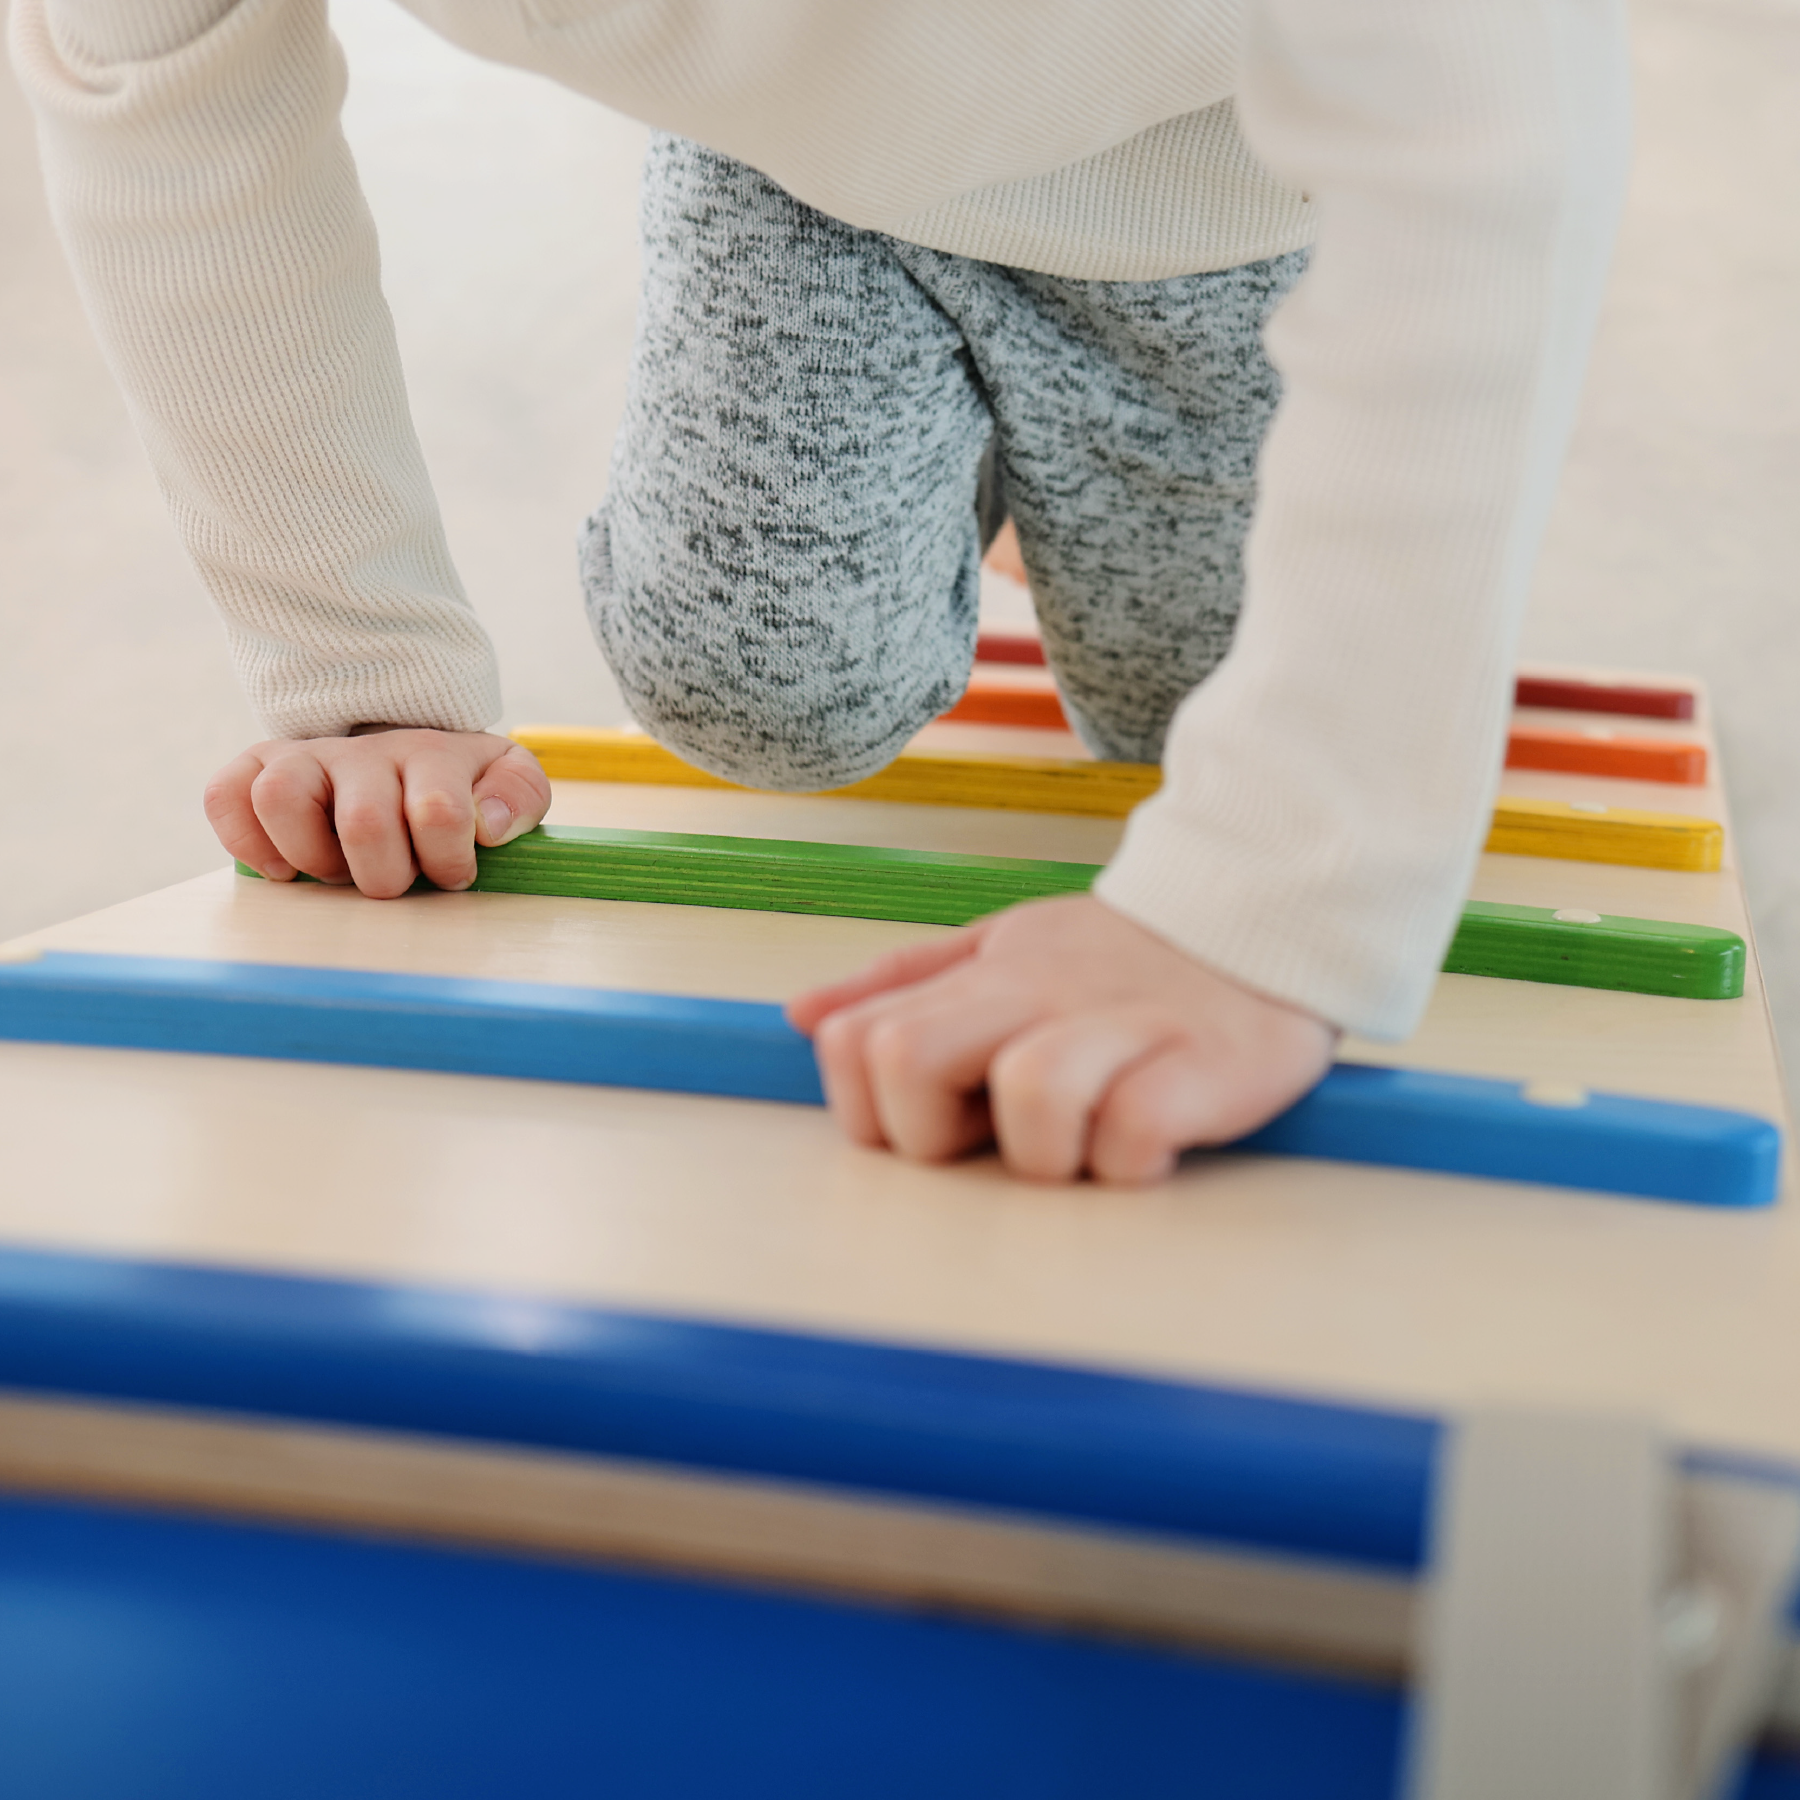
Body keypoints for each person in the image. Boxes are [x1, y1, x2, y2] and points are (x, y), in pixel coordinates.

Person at [12, 0, 1630, 1183]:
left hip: (1227, 193)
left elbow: (1491, 107)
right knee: (756, 685)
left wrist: (1282, 906)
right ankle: (967, 445)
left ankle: (1026, 476)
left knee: (1184, 707)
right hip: (803, 178)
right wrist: (355, 668)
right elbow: (149, 76)